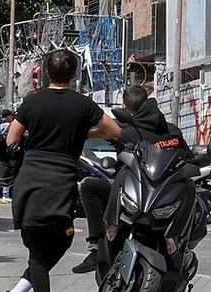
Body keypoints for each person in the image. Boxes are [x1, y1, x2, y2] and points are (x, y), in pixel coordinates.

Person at [0, 50, 121, 292]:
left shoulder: (32, 101)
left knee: (38, 246)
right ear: (74, 74)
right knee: (60, 239)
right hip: (62, 181)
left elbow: (12, 138)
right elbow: (114, 131)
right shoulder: (83, 105)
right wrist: (82, 133)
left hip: (31, 180)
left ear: (47, 74)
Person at [72, 85, 186, 275]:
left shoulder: (124, 130)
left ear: (125, 106)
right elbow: (186, 157)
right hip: (157, 195)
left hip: (135, 191)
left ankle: (96, 244)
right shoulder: (171, 130)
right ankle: (173, 239)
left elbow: (93, 133)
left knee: (89, 186)